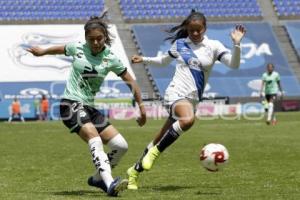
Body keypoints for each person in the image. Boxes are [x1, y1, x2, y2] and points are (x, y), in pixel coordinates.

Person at [27, 13, 146, 197]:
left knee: (120, 145)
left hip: (90, 108)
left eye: (99, 39)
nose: (96, 43)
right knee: (95, 138)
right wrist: (42, 52)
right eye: (92, 39)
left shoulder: (111, 58)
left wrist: (142, 107)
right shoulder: (78, 48)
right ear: (86, 38)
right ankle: (109, 184)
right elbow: (60, 49)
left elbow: (131, 81)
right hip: (70, 104)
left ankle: (97, 178)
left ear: (105, 37)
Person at [126, 10, 246, 190]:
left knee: (159, 138)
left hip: (192, 101)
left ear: (205, 28)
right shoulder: (180, 44)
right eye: (191, 31)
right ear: (187, 30)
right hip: (174, 93)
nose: (195, 34)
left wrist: (236, 45)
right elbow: (163, 61)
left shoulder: (214, 46)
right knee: (188, 119)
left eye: (198, 30)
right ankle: (154, 154)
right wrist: (144, 59)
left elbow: (234, 65)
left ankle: (133, 172)